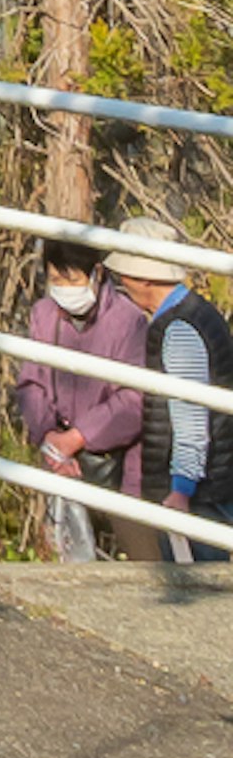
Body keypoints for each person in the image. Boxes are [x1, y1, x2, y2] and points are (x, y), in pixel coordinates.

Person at [108, 212, 233, 577]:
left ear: (144, 277)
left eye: (124, 274)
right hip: (216, 477)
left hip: (200, 491)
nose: (121, 283)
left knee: (201, 590)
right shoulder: (199, 313)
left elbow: (190, 414)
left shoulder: (176, 329)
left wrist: (180, 489)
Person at [15, 232, 152, 557]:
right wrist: (50, 437)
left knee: (139, 555)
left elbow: (134, 399)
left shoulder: (127, 320)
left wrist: (79, 436)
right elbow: (31, 382)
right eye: (55, 278)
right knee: (69, 553)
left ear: (96, 273)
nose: (64, 287)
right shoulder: (44, 314)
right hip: (59, 457)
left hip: (119, 466)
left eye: (72, 278)